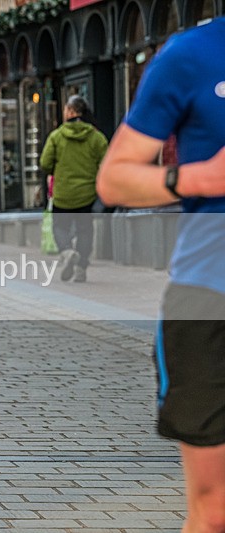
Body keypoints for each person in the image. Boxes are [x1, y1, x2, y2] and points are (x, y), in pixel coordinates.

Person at [97, 18, 225, 532]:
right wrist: (202, 177)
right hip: (208, 304)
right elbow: (114, 179)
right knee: (215, 512)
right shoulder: (192, 53)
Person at [40, 95, 108, 283]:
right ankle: (81, 268)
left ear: (70, 111)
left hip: (63, 194)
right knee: (85, 231)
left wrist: (58, 170)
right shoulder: (96, 137)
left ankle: (67, 251)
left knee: (60, 227)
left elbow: (45, 163)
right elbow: (106, 163)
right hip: (87, 195)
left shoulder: (56, 136)